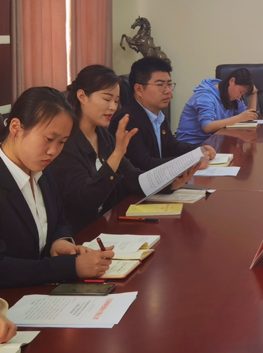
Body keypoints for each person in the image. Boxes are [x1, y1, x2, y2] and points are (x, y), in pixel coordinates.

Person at [52, 65, 204, 234]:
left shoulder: (102, 136)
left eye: (116, 101)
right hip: (82, 233)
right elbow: (87, 199)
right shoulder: (66, 142)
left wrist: (171, 183)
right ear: (82, 96)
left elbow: (131, 177)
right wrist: (118, 153)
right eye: (107, 99)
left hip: (111, 225)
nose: (113, 107)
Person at [0, 87, 114, 287]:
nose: (53, 151)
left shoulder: (42, 170)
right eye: (48, 139)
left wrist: (61, 241)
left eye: (62, 142)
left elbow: (59, 219)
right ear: (16, 128)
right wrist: (71, 267)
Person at [110, 57, 215, 170]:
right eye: (160, 85)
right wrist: (189, 163)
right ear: (139, 89)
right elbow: (144, 164)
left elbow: (172, 146)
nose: (168, 91)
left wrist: (198, 150)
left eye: (169, 84)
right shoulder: (127, 120)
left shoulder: (158, 115)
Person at [176, 68, 259, 145]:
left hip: (212, 142)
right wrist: (239, 118)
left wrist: (254, 93)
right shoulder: (206, 96)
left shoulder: (230, 96)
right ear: (232, 81)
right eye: (240, 91)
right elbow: (207, 127)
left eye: (243, 94)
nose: (240, 96)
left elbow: (248, 117)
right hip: (192, 145)